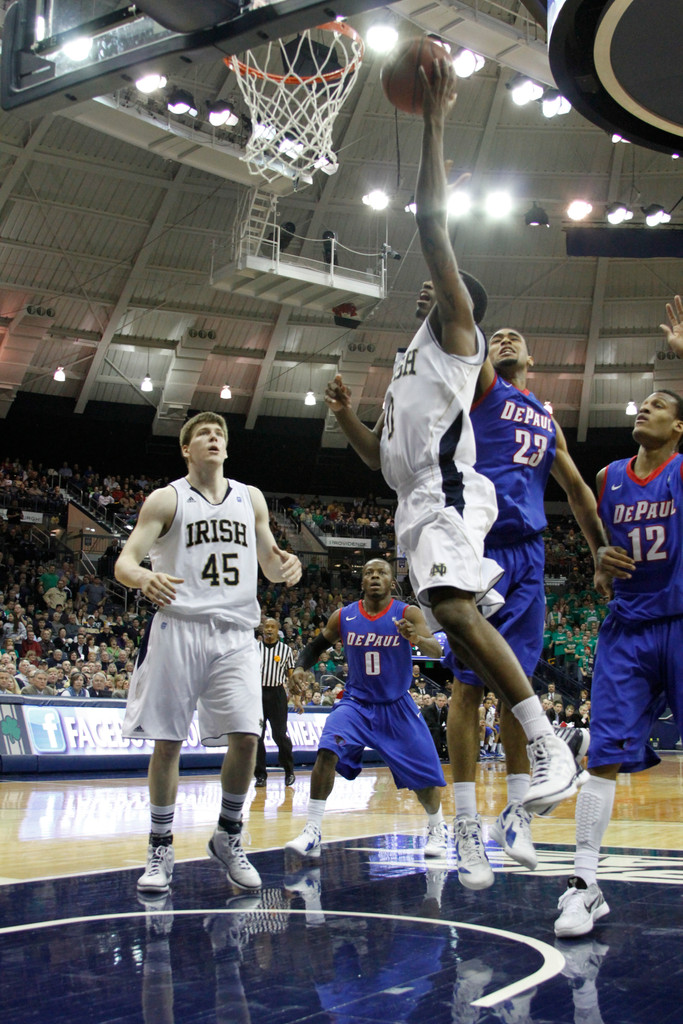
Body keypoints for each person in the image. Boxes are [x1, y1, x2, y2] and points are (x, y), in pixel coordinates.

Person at [323, 58, 583, 830]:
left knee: (447, 606)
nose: (432, 284)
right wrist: (344, 418)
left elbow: (431, 224)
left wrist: (435, 122)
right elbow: (378, 462)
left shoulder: (455, 331)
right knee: (455, 630)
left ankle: (545, 740)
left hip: (451, 496)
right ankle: (471, 820)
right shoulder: (407, 360)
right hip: (413, 503)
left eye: (446, 282)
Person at [115, 411, 302, 896]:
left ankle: (228, 834)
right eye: (204, 434)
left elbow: (270, 562)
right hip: (179, 627)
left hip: (238, 631)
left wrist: (288, 567)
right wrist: (143, 578)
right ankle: (160, 846)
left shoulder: (250, 497)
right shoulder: (167, 498)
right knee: (169, 742)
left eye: (220, 434)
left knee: (247, 737)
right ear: (186, 449)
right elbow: (125, 562)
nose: (214, 438)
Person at [554, 295, 683, 938]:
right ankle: (585, 885)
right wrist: (597, 559)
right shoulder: (610, 476)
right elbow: (586, 514)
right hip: (628, 629)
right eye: (642, 403)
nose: (644, 408)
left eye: (659, 404)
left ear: (679, 428)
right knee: (601, 755)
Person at [285, 559, 447, 859]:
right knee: (326, 750)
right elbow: (314, 647)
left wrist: (416, 638)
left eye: (381, 573)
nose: (375, 576)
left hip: (396, 704)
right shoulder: (344, 616)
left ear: (391, 582)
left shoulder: (407, 613)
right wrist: (298, 668)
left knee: (424, 776)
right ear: (362, 582)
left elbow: (437, 651)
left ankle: (437, 828)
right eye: (369, 573)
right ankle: (312, 829)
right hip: (355, 703)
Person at [254, 617, 297, 788]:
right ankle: (260, 775)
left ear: (278, 629)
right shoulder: (254, 649)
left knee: (280, 735)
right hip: (257, 694)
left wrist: (297, 699)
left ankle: (289, 771)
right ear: (262, 629)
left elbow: (291, 677)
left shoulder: (285, 650)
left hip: (277, 694)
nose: (269, 629)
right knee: (258, 736)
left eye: (272, 626)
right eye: (267, 626)